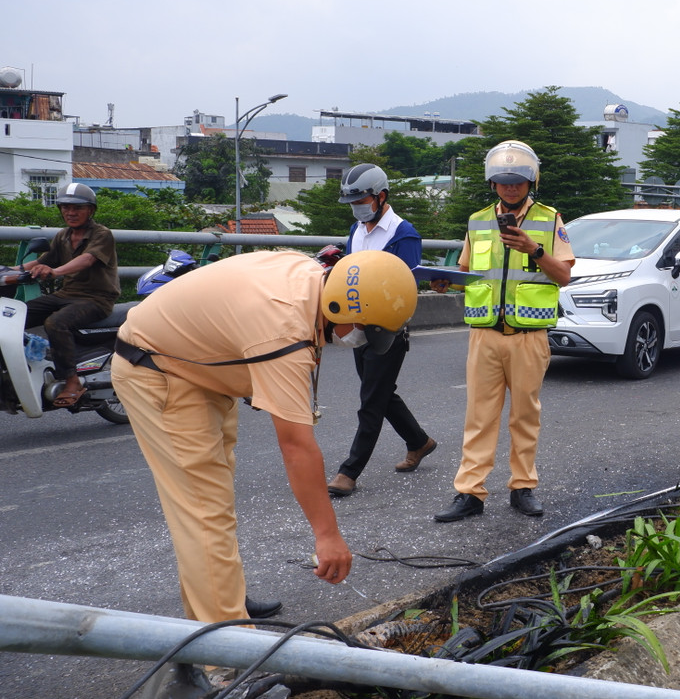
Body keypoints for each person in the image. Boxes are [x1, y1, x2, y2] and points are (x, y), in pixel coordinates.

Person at [112, 249, 418, 622]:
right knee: (203, 511)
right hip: (158, 370)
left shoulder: (312, 276)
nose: (360, 339)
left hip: (199, 364)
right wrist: (328, 536)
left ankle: (222, 600)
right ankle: (223, 653)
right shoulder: (283, 332)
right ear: (338, 308)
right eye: (364, 330)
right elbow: (297, 447)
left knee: (214, 500)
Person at [434, 140, 573, 522]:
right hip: (485, 335)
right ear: (492, 184)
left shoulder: (549, 220)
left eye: (518, 182)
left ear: (531, 182)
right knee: (478, 416)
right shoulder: (477, 221)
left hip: (529, 336)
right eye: (503, 182)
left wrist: (534, 249)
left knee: (525, 415)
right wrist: (447, 282)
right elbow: (467, 273)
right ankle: (470, 493)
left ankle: (523, 487)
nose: (510, 188)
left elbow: (564, 275)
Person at [326, 165, 437, 498]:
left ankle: (349, 472)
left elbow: (407, 287)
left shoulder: (403, 234)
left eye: (361, 199)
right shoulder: (356, 230)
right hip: (357, 325)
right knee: (380, 392)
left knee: (370, 401)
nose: (357, 206)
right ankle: (419, 442)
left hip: (387, 331)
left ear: (381, 196)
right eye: (352, 201)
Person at [21, 182, 119, 407]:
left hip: (97, 298)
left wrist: (55, 272)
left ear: (91, 210)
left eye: (78, 208)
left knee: (55, 322)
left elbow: (88, 259)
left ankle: (72, 380)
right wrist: (10, 271)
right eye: (65, 207)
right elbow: (40, 262)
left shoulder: (102, 234)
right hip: (67, 294)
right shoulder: (62, 236)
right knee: (19, 314)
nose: (71, 212)